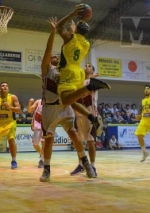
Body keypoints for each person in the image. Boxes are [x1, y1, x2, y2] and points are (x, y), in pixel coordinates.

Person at [39, 17, 95, 182]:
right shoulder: (46, 69)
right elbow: (48, 50)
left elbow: (70, 51)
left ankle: (85, 163)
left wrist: (72, 32)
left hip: (64, 105)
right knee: (48, 140)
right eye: (53, 56)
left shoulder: (65, 72)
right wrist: (53, 32)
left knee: (74, 134)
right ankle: (46, 169)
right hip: (49, 108)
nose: (55, 56)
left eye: (58, 55)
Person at [55, 4, 110, 130]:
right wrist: (74, 31)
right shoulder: (86, 44)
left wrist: (72, 14)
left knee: (65, 100)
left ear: (76, 30)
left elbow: (58, 26)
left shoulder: (70, 38)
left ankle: (89, 86)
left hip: (68, 71)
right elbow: (77, 39)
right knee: (72, 101)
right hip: (78, 72)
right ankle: (92, 117)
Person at [70, 63, 100, 177]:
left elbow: (91, 88)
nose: (86, 66)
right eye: (85, 65)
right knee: (78, 141)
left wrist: (91, 78)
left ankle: (92, 166)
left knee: (90, 141)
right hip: (78, 115)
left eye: (89, 66)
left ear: (92, 71)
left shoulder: (94, 82)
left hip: (90, 114)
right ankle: (81, 165)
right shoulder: (79, 82)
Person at [27, 98, 45, 168]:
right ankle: (42, 154)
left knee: (44, 143)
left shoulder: (51, 103)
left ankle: (42, 160)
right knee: (35, 144)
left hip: (46, 124)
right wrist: (30, 102)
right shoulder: (38, 101)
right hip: (38, 125)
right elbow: (29, 110)